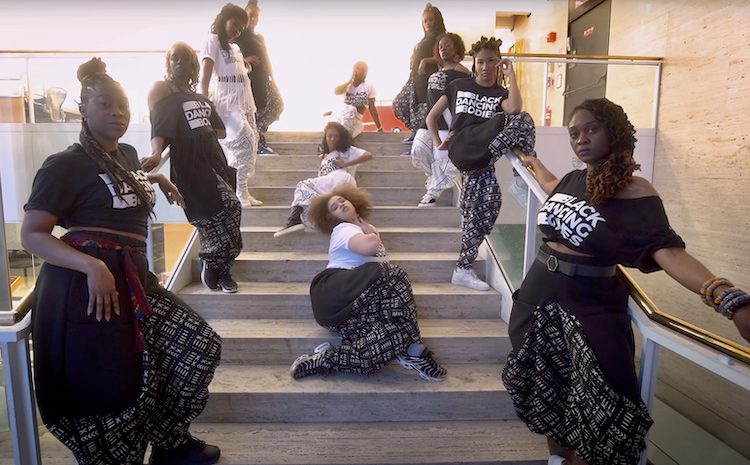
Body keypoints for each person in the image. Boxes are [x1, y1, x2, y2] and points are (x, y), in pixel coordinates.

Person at [503, 98, 750, 465]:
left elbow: (668, 251)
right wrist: (528, 159)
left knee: (601, 407)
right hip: (539, 298)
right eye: (573, 133)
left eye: (591, 129)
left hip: (588, 306)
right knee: (553, 395)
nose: (580, 139)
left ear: (614, 132)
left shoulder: (635, 190)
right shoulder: (574, 179)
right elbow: (550, 183)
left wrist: (726, 297)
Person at [21, 58, 222, 465]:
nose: (117, 113)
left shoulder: (127, 154)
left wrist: (157, 179)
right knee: (108, 379)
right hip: (88, 288)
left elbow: (122, 179)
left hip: (135, 280)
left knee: (199, 345)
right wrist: (91, 266)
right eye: (105, 104)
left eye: (124, 106)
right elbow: (32, 235)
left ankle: (167, 440)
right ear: (83, 107)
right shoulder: (64, 165)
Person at [289, 184, 447, 382]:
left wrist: (370, 230)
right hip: (333, 290)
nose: (341, 205)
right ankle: (416, 350)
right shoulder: (344, 228)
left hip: (348, 310)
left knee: (391, 336)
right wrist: (370, 232)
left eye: (342, 200)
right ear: (331, 218)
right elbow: (370, 247)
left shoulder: (364, 229)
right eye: (335, 207)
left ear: (353, 201)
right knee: (396, 274)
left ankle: (325, 360)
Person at [426, 36, 535, 291]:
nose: (485, 67)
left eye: (491, 62)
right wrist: (439, 144)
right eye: (481, 61)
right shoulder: (458, 85)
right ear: (474, 63)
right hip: (465, 146)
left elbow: (515, 107)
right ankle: (463, 267)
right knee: (482, 206)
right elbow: (431, 117)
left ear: (498, 63)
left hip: (484, 151)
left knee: (487, 204)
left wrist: (512, 75)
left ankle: (463, 267)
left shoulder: (501, 93)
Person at [143, 42, 243, 293]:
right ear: (168, 63)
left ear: (192, 65)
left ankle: (222, 270)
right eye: (174, 58)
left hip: (214, 158)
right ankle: (212, 262)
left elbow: (219, 130)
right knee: (226, 208)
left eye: (185, 59)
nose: (179, 63)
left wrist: (200, 124)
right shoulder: (162, 88)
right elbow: (159, 122)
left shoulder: (200, 98)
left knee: (222, 215)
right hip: (190, 161)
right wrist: (156, 152)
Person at [199, 3, 262, 207]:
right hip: (227, 102)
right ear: (223, 19)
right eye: (235, 24)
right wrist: (203, 100)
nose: (236, 31)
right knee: (245, 141)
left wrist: (246, 63)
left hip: (244, 102)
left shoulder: (234, 48)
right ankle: (238, 191)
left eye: (240, 29)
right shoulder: (212, 40)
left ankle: (242, 189)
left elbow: (236, 68)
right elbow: (206, 72)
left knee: (252, 144)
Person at [274, 121, 372, 238]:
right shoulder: (323, 157)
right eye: (329, 136)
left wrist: (346, 163)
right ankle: (349, 228)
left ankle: (294, 220)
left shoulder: (345, 150)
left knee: (303, 185)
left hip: (339, 178)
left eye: (336, 136)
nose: (332, 139)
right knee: (318, 204)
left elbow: (368, 155)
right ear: (325, 137)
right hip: (328, 182)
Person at [410, 32, 471, 207]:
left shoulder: (463, 73)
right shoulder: (438, 71)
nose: (443, 48)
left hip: (447, 121)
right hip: (428, 120)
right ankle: (432, 179)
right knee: (418, 151)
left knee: (443, 159)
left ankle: (432, 194)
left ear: (457, 49)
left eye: (447, 45)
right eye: (440, 46)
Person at [234, 0, 284, 155]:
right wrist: (244, 60)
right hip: (250, 78)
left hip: (263, 77)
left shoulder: (259, 37)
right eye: (250, 15)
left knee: (277, 105)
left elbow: (266, 57)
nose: (253, 18)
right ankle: (258, 145)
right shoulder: (239, 33)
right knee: (256, 110)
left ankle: (256, 138)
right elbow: (227, 50)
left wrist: (273, 78)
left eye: (256, 16)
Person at [394, 3, 446, 147]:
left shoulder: (438, 37)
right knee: (400, 103)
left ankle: (419, 140)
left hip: (427, 77)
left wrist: (424, 61)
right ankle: (415, 132)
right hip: (414, 78)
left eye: (430, 19)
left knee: (422, 108)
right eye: (425, 21)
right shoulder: (424, 39)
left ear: (437, 20)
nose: (428, 23)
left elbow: (439, 59)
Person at [331, 61, 382, 138]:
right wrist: (350, 81)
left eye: (366, 71)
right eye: (363, 70)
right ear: (355, 70)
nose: (365, 74)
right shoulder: (347, 86)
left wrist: (379, 127)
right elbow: (336, 91)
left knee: (347, 134)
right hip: (343, 117)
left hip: (356, 119)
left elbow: (372, 107)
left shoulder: (368, 86)